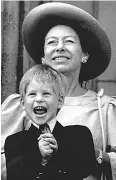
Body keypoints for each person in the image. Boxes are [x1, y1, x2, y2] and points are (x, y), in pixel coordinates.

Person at [1, 2, 116, 180]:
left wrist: (98, 156)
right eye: (52, 42)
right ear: (43, 57)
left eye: (69, 41)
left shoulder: (105, 108)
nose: (59, 47)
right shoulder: (22, 105)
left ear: (84, 54)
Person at [4, 64, 96, 180]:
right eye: (32, 94)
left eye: (46, 93)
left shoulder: (79, 134)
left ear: (60, 101)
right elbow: (15, 176)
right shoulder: (14, 142)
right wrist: (41, 160)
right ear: (23, 103)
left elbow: (85, 168)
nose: (38, 99)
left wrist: (57, 154)